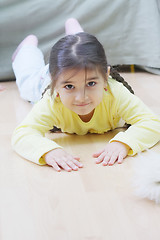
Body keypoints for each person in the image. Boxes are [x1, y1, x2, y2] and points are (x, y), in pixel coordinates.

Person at [11, 18, 160, 172]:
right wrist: (48, 151)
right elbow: (22, 134)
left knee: (80, 51)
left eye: (90, 84)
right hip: (45, 79)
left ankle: (75, 34)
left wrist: (124, 143)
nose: (81, 97)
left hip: (71, 67)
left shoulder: (115, 92)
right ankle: (27, 48)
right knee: (27, 83)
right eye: (70, 87)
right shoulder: (52, 99)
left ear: (105, 76)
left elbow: (152, 123)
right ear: (55, 83)